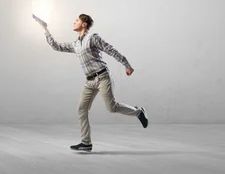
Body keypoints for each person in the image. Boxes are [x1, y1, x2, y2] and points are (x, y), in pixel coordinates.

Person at [35, 13, 148, 152]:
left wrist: (127, 65)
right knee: (81, 109)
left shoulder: (93, 38)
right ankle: (86, 143)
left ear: (84, 24)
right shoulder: (76, 44)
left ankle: (138, 112)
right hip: (89, 82)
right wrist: (44, 28)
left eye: (77, 20)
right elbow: (56, 46)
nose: (74, 22)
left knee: (111, 108)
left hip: (102, 77)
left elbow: (111, 50)